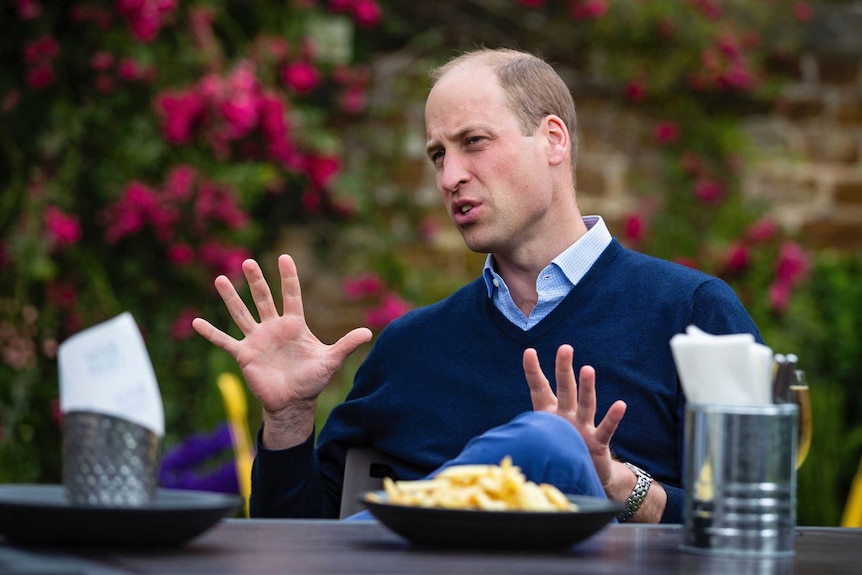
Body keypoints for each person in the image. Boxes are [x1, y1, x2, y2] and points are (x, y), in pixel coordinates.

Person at [192, 47, 761, 524]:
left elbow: (755, 527)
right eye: (438, 154)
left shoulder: (694, 315)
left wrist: (622, 488)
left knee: (550, 449)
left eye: (474, 142)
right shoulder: (409, 350)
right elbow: (297, 546)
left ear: (553, 140)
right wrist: (289, 418)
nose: (449, 176)